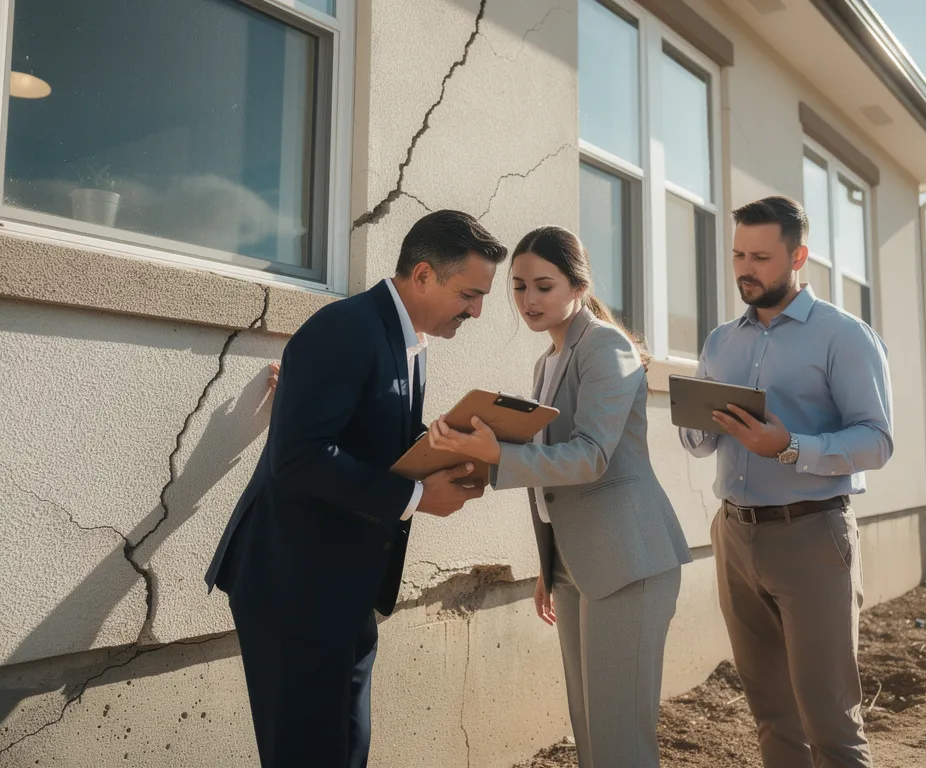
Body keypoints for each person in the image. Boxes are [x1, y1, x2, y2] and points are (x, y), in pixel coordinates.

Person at [204, 209, 507, 768]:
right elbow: (299, 458)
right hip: (294, 588)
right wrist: (417, 499)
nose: (477, 311)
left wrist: (452, 455)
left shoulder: (407, 340)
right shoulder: (344, 329)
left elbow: (371, 437)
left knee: (345, 751)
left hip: (345, 589)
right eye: (469, 294)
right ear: (422, 275)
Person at [427, 225, 691, 768]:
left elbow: (590, 455)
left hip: (629, 560)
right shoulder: (547, 362)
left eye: (543, 286)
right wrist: (550, 563)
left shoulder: (606, 346)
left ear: (578, 284)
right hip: (577, 562)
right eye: (519, 287)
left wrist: (498, 454)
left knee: (621, 741)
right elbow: (551, 476)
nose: (529, 300)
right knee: (591, 732)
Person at [680, 196, 893, 768]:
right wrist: (697, 423)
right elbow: (701, 441)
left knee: (829, 719)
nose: (746, 268)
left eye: (761, 256)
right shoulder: (721, 340)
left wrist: (791, 446)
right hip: (734, 536)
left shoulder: (844, 336)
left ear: (799, 256)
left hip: (813, 535)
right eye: (738, 255)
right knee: (772, 715)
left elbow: (876, 440)